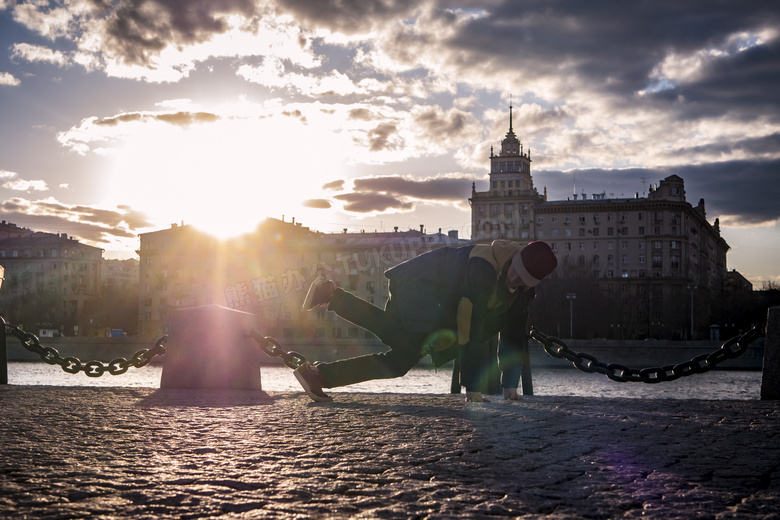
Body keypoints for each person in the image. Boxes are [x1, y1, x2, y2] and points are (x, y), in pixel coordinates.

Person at [294, 239, 557, 402]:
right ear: (514, 259)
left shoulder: (523, 294)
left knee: (399, 360)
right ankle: (321, 363)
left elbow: (512, 335)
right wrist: (473, 387)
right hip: (419, 285)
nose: (515, 280)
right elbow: (469, 328)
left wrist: (510, 384)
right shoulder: (483, 267)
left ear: (532, 284)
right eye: (515, 273)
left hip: (438, 303)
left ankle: (318, 374)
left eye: (523, 280)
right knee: (403, 344)